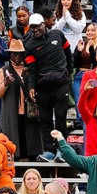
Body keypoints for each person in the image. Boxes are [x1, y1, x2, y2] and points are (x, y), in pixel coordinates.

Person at [24, 13, 72, 162]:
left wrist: (69, 72)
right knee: (45, 120)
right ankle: (49, 150)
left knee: (60, 118)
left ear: (44, 24)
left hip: (61, 84)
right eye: (32, 27)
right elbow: (31, 69)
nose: (35, 30)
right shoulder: (29, 45)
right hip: (42, 87)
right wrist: (31, 86)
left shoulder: (58, 34)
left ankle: (61, 150)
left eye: (37, 26)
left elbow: (68, 53)